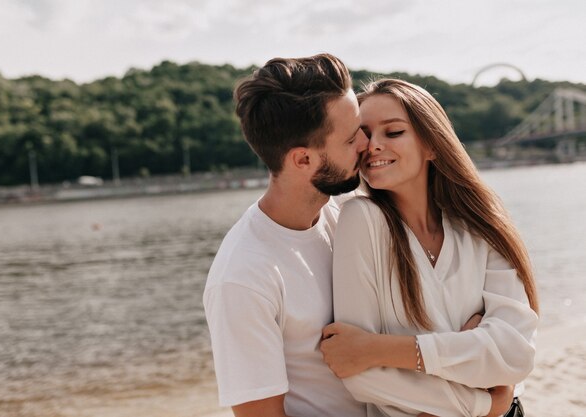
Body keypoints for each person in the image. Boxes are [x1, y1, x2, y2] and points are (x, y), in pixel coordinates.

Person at [320, 78, 539, 417]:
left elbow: (515, 354)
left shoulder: (479, 225)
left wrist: (380, 349)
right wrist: (484, 401)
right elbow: (357, 372)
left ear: (431, 145)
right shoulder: (360, 220)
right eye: (364, 134)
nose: (373, 145)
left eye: (393, 133)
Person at [203, 53, 370, 417]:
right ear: (302, 160)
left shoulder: (350, 210)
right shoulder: (243, 277)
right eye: (351, 138)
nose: (366, 144)